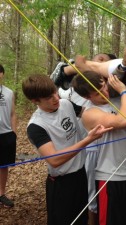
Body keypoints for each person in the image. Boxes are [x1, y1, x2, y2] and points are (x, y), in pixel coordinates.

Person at [22, 74, 112, 225]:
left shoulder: (65, 104)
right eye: (48, 98)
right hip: (61, 184)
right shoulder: (36, 126)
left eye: (54, 92)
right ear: (35, 101)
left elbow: (88, 112)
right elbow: (55, 159)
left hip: (80, 175)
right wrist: (88, 140)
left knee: (82, 218)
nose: (55, 98)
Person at [72, 71, 126, 225]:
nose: (105, 92)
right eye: (98, 93)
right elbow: (123, 121)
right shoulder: (90, 113)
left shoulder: (120, 101)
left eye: (104, 87)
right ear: (87, 97)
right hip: (110, 177)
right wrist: (123, 90)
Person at [0, 64, 17, 208]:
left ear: (2, 74)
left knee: (3, 166)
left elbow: (12, 114)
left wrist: (14, 132)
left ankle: (1, 194)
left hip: (6, 135)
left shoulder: (9, 92)